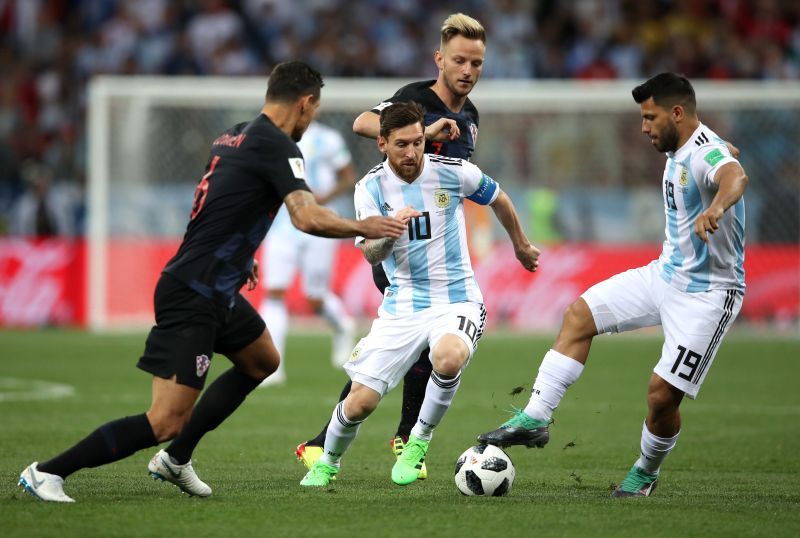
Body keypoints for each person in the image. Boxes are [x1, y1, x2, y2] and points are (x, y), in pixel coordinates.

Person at [17, 61, 408, 503]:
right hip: (193, 292)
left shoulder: (233, 135)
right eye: (313, 111)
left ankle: (176, 459)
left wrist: (240, 257)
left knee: (261, 361)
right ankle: (47, 472)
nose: (311, 120)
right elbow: (305, 215)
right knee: (165, 420)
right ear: (305, 103)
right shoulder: (278, 147)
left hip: (215, 283)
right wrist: (366, 227)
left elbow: (215, 204)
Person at [478, 73, 748, 497]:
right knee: (579, 315)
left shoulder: (703, 153)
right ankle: (536, 417)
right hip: (664, 274)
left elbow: (734, 176)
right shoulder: (686, 145)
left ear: (677, 112)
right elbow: (722, 154)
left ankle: (645, 472)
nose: (644, 127)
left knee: (661, 398)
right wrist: (724, 155)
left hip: (709, 294)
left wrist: (716, 205)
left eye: (649, 117)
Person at [299, 101, 540, 487]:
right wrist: (388, 231)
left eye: (417, 142)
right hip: (402, 304)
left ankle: (417, 442)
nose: (411, 153)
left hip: (457, 297)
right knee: (360, 401)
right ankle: (327, 462)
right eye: (401, 145)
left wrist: (521, 245)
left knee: (447, 358)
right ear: (382, 143)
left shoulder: (453, 173)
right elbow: (368, 252)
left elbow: (499, 198)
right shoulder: (370, 188)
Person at [294, 12, 487, 480]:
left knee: (432, 347)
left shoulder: (473, 116)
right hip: (399, 242)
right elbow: (364, 122)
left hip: (437, 247)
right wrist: (430, 125)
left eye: (476, 63)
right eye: (459, 60)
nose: (467, 70)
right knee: (412, 343)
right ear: (440, 59)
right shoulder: (416, 98)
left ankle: (384, 438)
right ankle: (340, 442)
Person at [258, 120, 358, 386]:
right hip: (281, 224)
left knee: (315, 296)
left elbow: (348, 176)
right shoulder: (273, 138)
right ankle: (273, 366)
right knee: (274, 292)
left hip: (319, 225)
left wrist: (321, 198)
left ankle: (342, 326)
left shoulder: (328, 139)